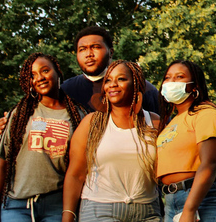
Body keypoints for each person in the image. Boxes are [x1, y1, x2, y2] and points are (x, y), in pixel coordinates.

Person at [0, 26, 160, 138]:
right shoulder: (65, 91)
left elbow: (163, 134)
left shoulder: (142, 88)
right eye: (82, 49)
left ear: (110, 51)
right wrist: (10, 126)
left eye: (95, 47)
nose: (89, 54)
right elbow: (40, 124)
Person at [0, 53, 84, 222]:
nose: (39, 78)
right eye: (33, 75)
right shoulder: (19, 113)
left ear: (57, 72)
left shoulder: (78, 115)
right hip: (17, 205)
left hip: (57, 205)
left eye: (45, 70)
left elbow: (81, 169)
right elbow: (2, 163)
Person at [62, 60, 161, 222]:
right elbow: (76, 174)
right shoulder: (91, 123)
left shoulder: (154, 122)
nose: (112, 84)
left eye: (121, 79)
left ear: (136, 83)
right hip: (100, 209)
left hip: (148, 211)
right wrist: (68, 216)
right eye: (108, 80)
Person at [156, 60, 216, 222]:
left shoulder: (207, 113)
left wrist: (189, 209)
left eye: (179, 77)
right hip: (173, 200)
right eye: (167, 77)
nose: (171, 82)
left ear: (194, 85)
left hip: (206, 198)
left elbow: (210, 163)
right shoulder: (172, 122)